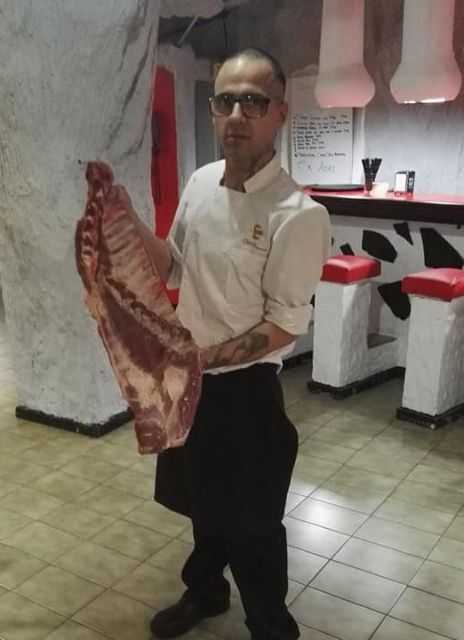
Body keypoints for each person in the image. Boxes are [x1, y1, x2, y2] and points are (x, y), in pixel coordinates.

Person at [130, 48, 331, 640]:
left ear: (280, 113)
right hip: (190, 385)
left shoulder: (299, 214)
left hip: (246, 393)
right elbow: (173, 264)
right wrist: (127, 221)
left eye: (254, 102)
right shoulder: (199, 183)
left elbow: (284, 325)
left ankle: (271, 625)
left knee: (254, 526)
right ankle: (206, 592)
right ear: (214, 110)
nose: (237, 115)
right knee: (201, 503)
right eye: (225, 101)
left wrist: (199, 358)